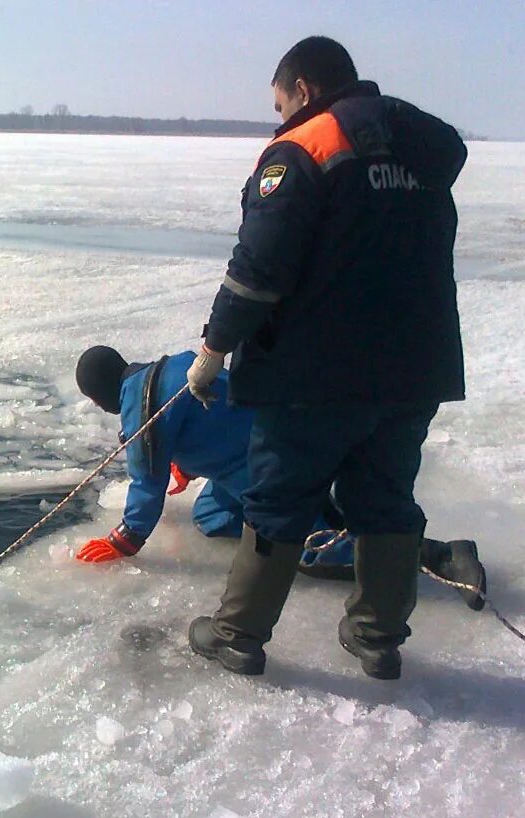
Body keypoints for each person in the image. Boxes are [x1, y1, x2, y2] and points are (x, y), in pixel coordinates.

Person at [182, 36, 468, 679]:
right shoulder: (419, 150)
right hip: (412, 370)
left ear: (303, 89)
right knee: (387, 498)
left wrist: (214, 347)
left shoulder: (305, 147)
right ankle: (377, 635)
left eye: (280, 101)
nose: (279, 115)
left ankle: (238, 634)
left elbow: (258, 268)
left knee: (279, 499)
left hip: (313, 374)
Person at [73, 344, 485, 603]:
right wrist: (186, 458)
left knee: (309, 547)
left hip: (269, 463)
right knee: (212, 517)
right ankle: (309, 509)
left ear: (100, 394)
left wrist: (123, 542)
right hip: (270, 441)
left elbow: (146, 483)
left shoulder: (139, 410)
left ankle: (440, 555)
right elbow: (210, 411)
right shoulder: (175, 365)